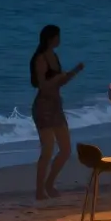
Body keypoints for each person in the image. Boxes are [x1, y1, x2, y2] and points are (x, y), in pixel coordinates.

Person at [30, 25, 84, 199]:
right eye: (57, 37)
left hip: (56, 106)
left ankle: (49, 183)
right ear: (50, 38)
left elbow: (59, 83)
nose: (59, 40)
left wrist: (74, 72)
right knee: (47, 150)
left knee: (66, 149)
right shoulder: (40, 59)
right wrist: (58, 77)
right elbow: (43, 86)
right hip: (43, 106)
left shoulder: (54, 56)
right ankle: (40, 190)